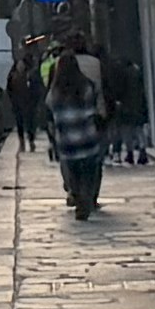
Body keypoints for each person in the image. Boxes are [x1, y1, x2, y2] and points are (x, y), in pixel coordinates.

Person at [43, 39, 111, 218]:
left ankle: (78, 196)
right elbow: (95, 101)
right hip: (87, 137)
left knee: (73, 172)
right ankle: (87, 199)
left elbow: (49, 107)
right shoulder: (86, 86)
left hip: (66, 141)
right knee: (89, 171)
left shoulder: (55, 92)